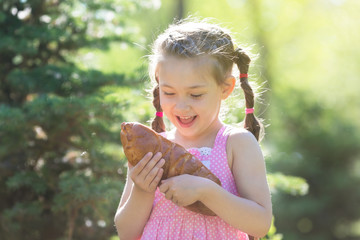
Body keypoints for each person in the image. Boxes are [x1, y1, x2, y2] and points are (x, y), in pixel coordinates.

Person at [114, 18, 272, 240]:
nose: (181, 106)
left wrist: (206, 191)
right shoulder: (151, 150)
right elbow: (127, 233)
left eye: (195, 95)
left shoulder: (236, 143)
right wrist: (142, 190)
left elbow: (260, 223)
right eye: (169, 93)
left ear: (225, 88)